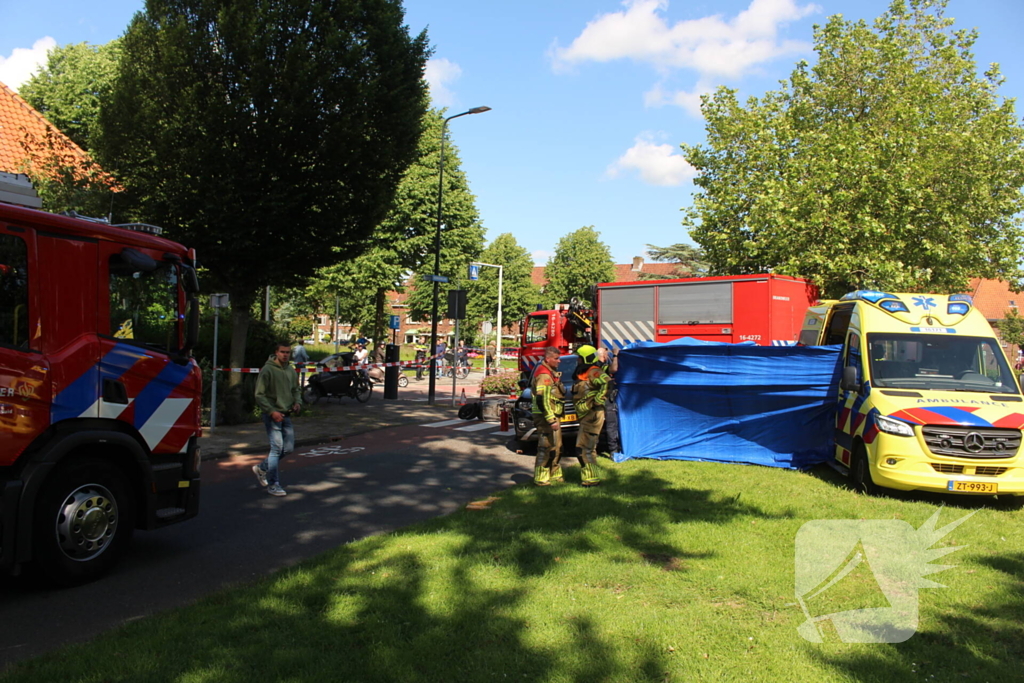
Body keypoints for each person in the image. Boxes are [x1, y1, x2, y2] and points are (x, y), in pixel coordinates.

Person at [253, 342, 302, 496]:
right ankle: (273, 484)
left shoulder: (290, 370)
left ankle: (262, 467)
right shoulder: (268, 370)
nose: (285, 355)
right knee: (276, 448)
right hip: (272, 415)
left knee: (288, 449)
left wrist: (297, 402)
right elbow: (259, 394)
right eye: (282, 352)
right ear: (276, 352)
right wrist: (271, 411)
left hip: (286, 414)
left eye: (287, 352)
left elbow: (296, 389)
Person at [571, 344, 611, 486]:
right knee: (587, 447)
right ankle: (591, 477)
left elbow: (608, 383)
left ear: (585, 358)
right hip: (587, 415)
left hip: (592, 414)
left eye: (579, 358)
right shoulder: (585, 373)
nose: (577, 360)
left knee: (583, 447)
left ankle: (591, 480)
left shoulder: (594, 372)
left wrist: (598, 400)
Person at [531, 346, 566, 486]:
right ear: (547, 359)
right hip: (545, 417)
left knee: (556, 446)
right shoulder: (544, 375)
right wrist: (551, 420)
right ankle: (541, 478)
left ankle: (555, 475)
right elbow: (542, 399)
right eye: (556, 359)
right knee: (545, 447)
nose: (559, 361)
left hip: (551, 415)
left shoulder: (551, 372)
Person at [597, 347, 621, 457]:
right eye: (606, 354)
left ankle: (594, 450)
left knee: (596, 425)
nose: (607, 355)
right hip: (606, 400)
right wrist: (615, 355)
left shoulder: (593, 367)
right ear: (603, 355)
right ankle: (613, 450)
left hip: (597, 400)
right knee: (611, 425)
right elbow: (614, 369)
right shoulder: (601, 366)